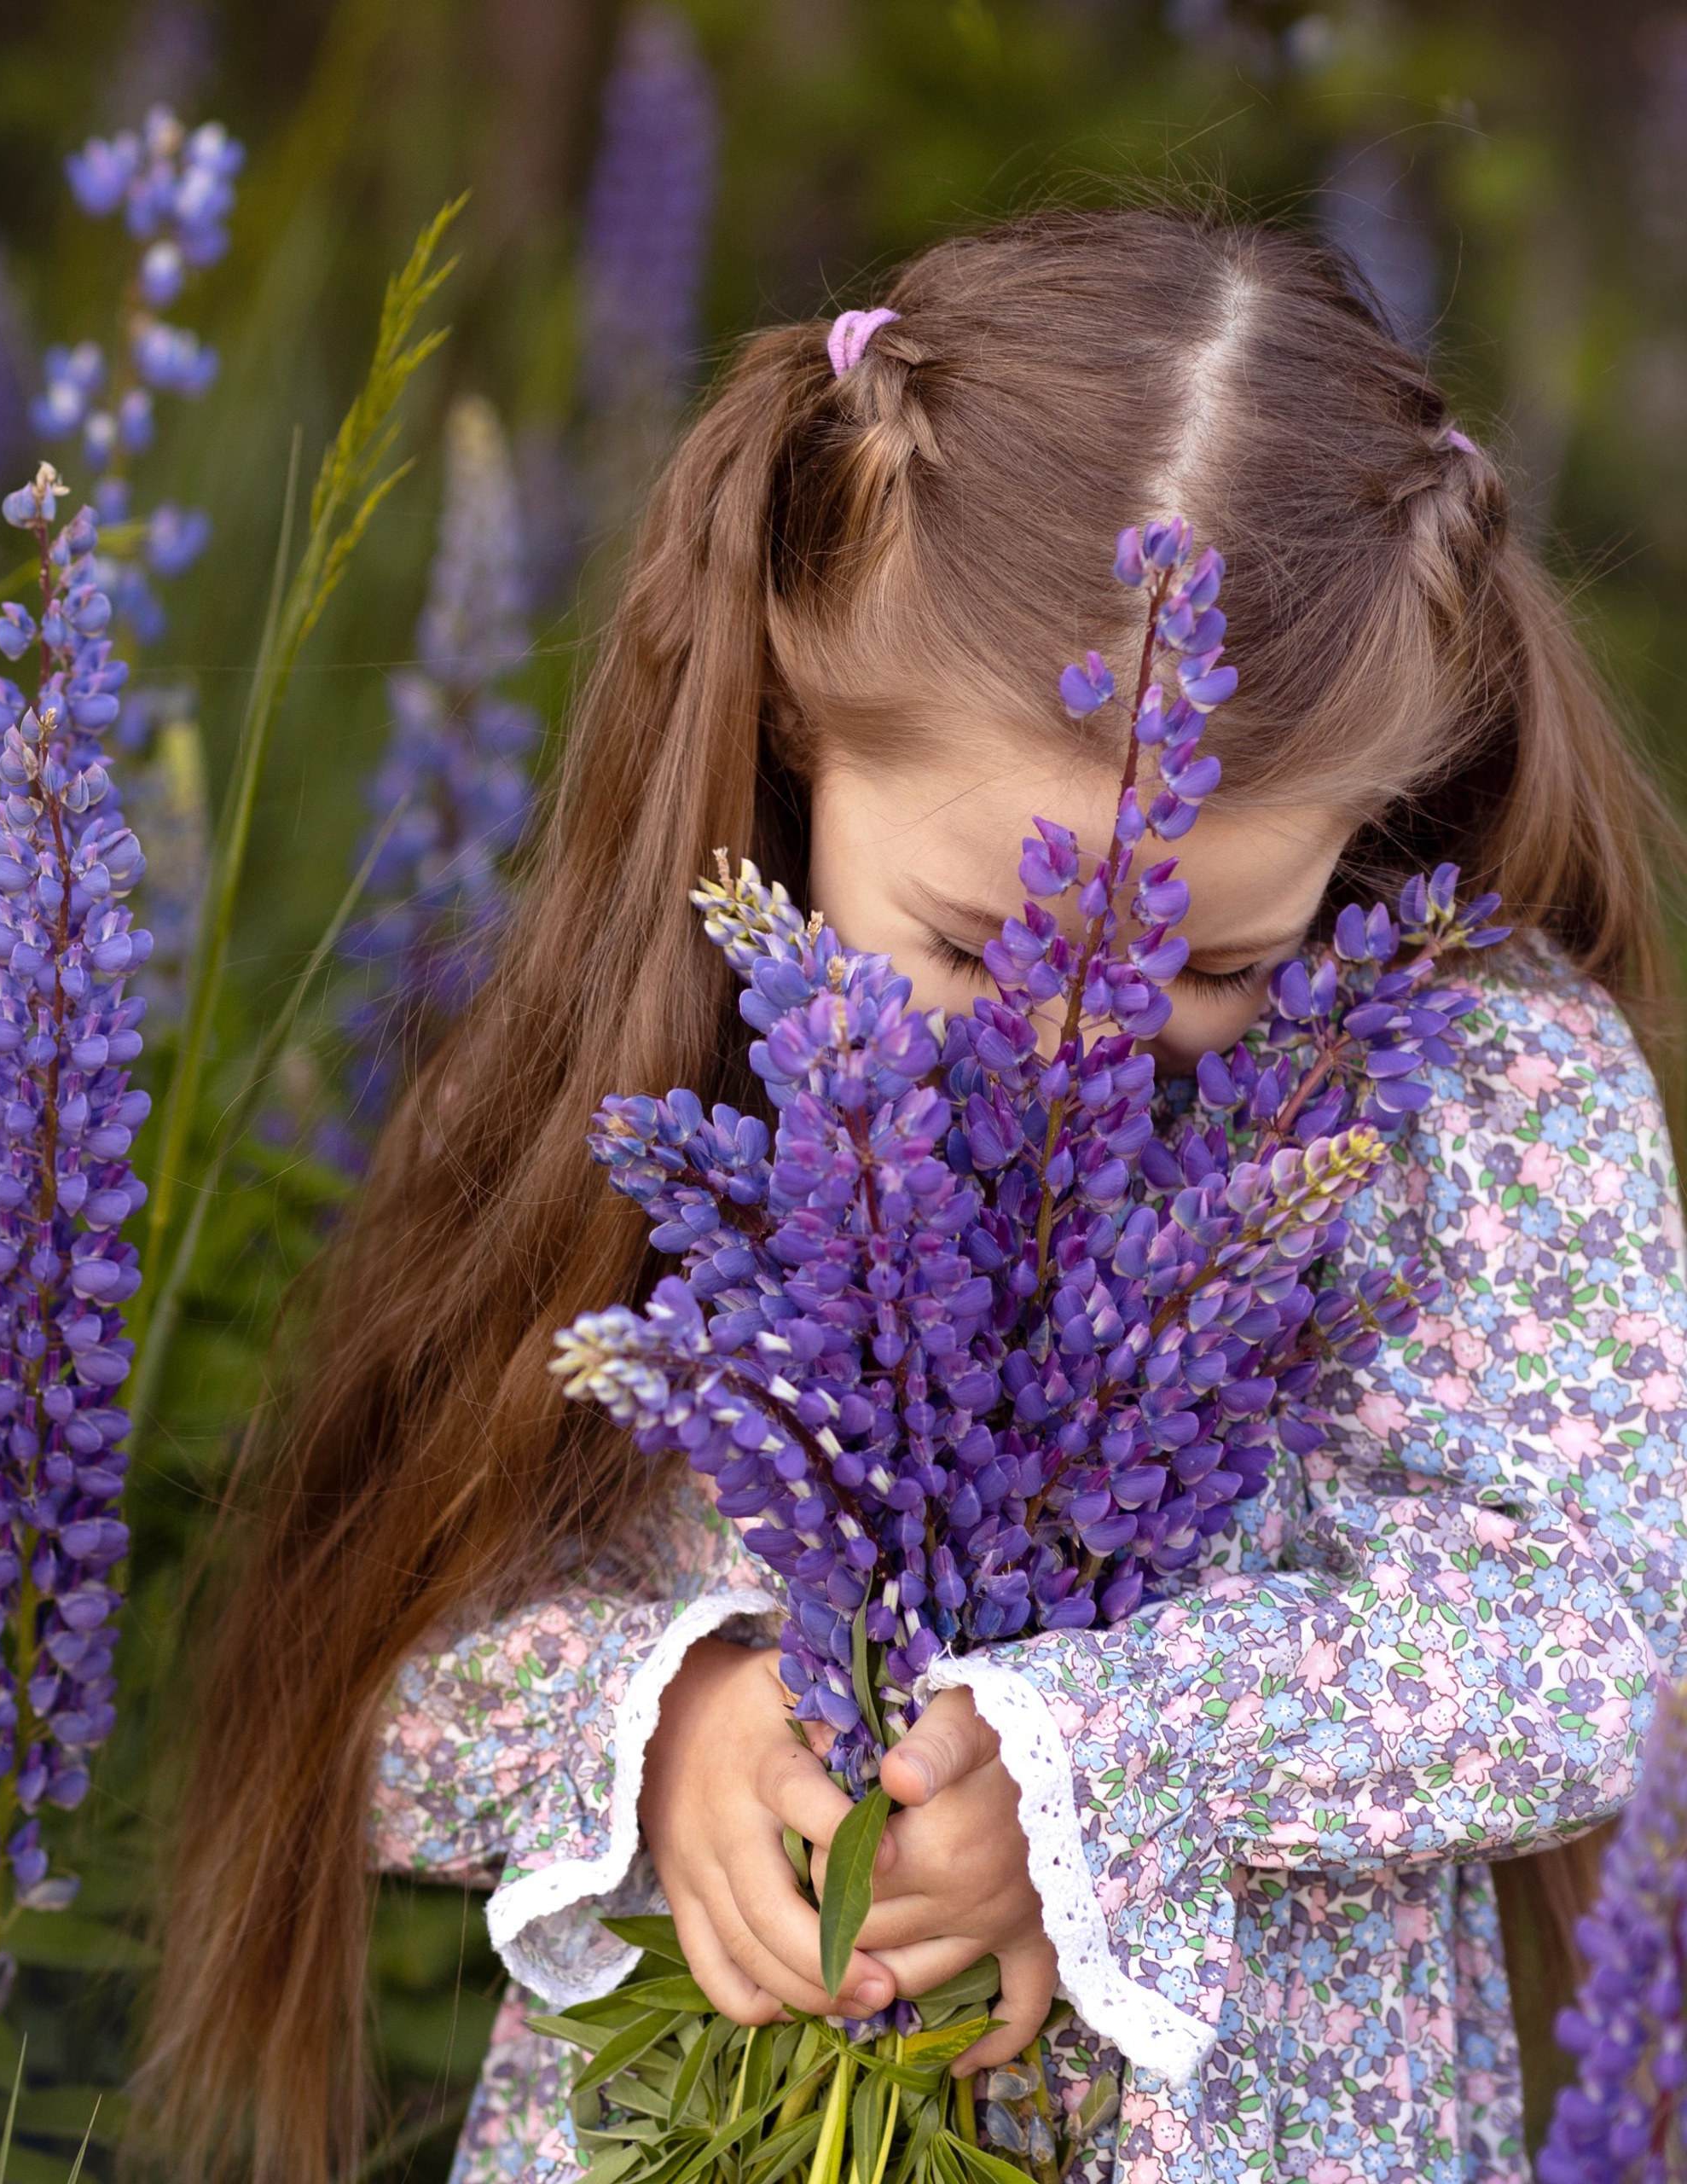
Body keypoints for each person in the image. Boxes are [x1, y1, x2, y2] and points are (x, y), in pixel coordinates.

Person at [139, 210, 1687, 2184]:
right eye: (975, 941)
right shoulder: (665, 1051)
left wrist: (1101, 1759)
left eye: (1206, 969)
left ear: (1366, 819)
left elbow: (1570, 1639)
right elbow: (379, 1649)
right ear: (795, 729)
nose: (1074, 1054)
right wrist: (666, 1722)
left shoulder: (1473, 1089)